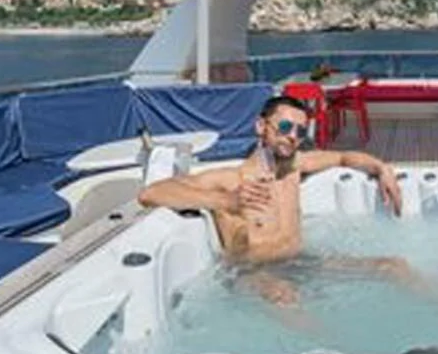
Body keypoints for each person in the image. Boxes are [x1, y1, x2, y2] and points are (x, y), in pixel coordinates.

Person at [139, 94, 408, 307]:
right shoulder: (231, 180)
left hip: (301, 263)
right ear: (261, 126)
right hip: (253, 274)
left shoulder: (295, 168)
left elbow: (344, 157)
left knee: (393, 266)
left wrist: (381, 168)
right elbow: (151, 194)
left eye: (300, 132)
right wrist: (224, 201)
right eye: (285, 127)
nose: (292, 136)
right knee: (283, 296)